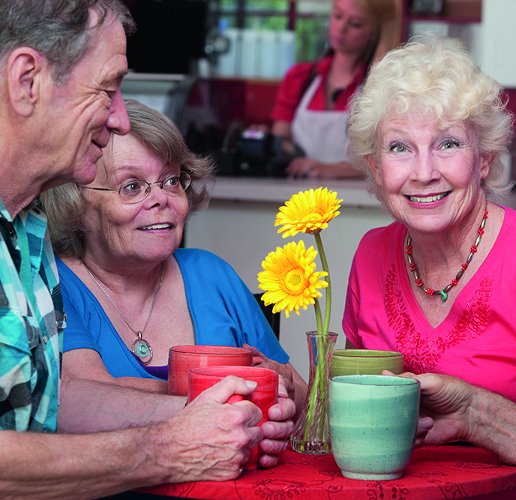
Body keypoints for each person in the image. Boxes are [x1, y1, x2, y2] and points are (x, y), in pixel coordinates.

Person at [0, 1, 294, 496]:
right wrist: (168, 447)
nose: (119, 118)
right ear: (28, 80)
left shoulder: (28, 236)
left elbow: (39, 425)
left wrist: (219, 422)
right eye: (108, 88)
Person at [347, 25, 516, 499]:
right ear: (377, 168)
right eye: (400, 147)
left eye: (448, 144)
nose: (424, 173)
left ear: (484, 159)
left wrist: (483, 418)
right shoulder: (370, 257)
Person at [41, 98, 307, 412]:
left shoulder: (211, 274)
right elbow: (85, 394)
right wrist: (231, 385)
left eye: (170, 181)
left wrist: (282, 380)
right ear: (76, 205)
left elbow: (301, 397)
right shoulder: (56, 284)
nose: (160, 199)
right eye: (132, 186)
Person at [270, 0, 398, 179]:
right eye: (337, 16)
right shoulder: (299, 78)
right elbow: (279, 140)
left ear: (374, 33)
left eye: (355, 24)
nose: (341, 28)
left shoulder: (384, 87)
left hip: (358, 201)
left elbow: (393, 156)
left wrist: (335, 170)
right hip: (300, 196)